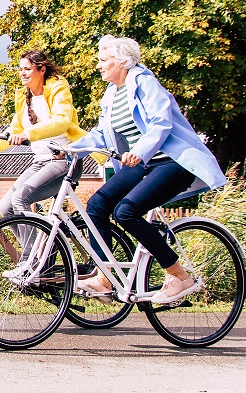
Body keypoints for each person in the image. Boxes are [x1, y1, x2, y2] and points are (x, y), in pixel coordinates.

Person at [75, 35, 227, 305]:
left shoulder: (143, 81)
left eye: (103, 60)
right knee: (97, 204)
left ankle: (179, 275)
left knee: (126, 211)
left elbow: (160, 122)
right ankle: (105, 277)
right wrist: (70, 149)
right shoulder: (111, 95)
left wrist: (140, 150)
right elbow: (100, 134)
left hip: (171, 162)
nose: (98, 65)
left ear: (121, 61)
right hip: (144, 163)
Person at [0, 50, 87, 222]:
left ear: (42, 69)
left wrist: (27, 134)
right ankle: (34, 248)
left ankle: (33, 251)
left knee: (20, 199)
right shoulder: (25, 98)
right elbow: (14, 129)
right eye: (20, 69)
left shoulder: (57, 88)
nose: (22, 73)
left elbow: (62, 121)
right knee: (5, 207)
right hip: (40, 163)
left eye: (27, 69)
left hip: (64, 161)